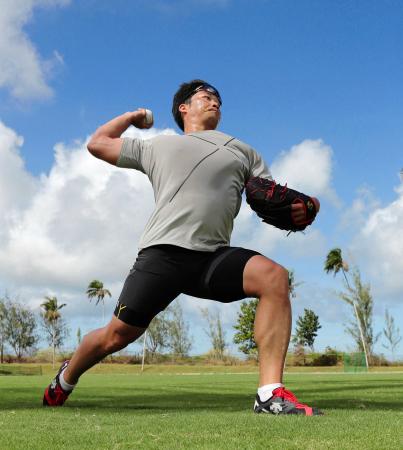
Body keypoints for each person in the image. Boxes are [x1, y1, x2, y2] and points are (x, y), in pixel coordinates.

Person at [43, 79, 322, 415]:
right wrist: (133, 116)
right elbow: (98, 143)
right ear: (184, 108)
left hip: (212, 257)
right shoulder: (158, 146)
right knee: (115, 337)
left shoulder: (244, 151)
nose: (214, 101)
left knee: (274, 277)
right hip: (163, 253)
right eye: (205, 97)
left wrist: (309, 206)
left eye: (218, 98)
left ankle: (269, 394)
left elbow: (271, 196)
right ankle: (66, 378)